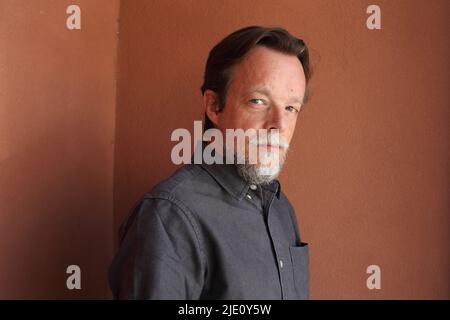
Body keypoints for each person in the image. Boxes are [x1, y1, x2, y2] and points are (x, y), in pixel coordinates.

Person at [109, 25, 311, 299]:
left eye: (290, 108)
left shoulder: (281, 209)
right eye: (258, 101)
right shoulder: (169, 217)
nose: (279, 125)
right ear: (214, 105)